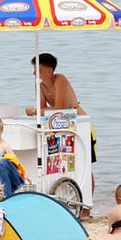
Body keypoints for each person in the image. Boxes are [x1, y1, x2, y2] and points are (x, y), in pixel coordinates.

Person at [26, 52, 95, 205]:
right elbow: (45, 108)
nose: (34, 73)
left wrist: (36, 111)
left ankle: (87, 205)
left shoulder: (60, 80)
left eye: (37, 69)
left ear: (49, 70)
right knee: (66, 163)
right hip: (63, 125)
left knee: (85, 164)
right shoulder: (40, 84)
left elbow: (60, 109)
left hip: (81, 124)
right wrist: (40, 110)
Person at [0, 116, 27, 197]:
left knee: (1, 163)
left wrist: (24, 175)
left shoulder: (4, 146)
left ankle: (5, 194)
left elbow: (15, 161)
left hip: (4, 176)